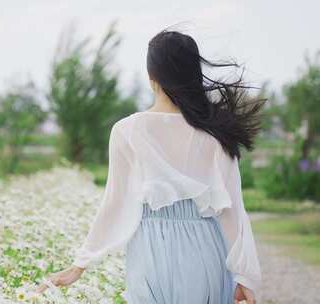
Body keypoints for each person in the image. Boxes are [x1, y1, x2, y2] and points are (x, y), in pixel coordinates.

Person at [35, 30, 264, 304]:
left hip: (151, 250)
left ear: (151, 76)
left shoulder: (127, 130)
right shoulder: (215, 132)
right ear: (193, 74)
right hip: (205, 246)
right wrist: (243, 275)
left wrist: (79, 265)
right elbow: (233, 209)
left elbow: (115, 203)